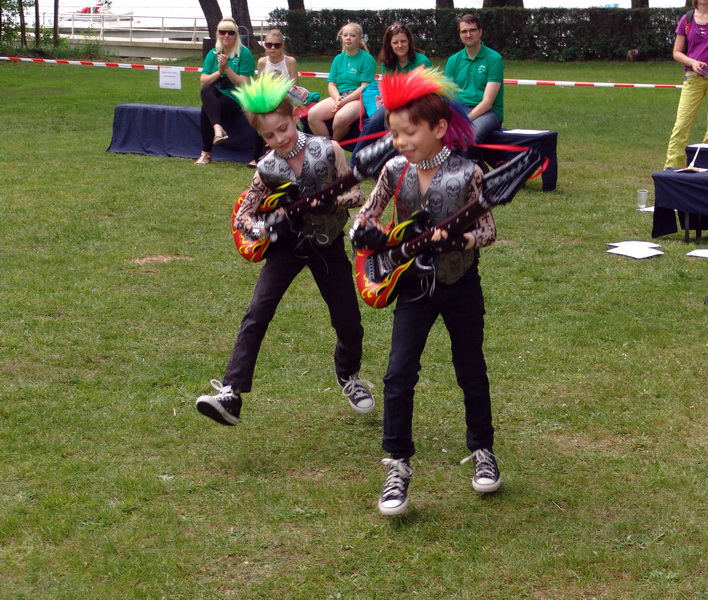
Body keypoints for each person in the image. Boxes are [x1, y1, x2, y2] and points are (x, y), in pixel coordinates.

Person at [351, 69, 501, 516]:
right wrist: (366, 233)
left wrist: (459, 240)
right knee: (398, 374)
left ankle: (483, 450)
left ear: (438, 128)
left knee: (470, 369)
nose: (399, 141)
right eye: (394, 133)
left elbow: (488, 230)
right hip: (413, 287)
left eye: (408, 132)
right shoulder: (394, 170)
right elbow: (366, 214)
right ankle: (397, 464)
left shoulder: (468, 173)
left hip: (460, 284)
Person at [195, 73, 376, 426]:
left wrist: (330, 202)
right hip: (287, 246)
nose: (279, 139)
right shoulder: (267, 168)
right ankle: (231, 392)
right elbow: (243, 216)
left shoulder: (329, 149)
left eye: (283, 128)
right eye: (268, 135)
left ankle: (349, 375)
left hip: (327, 244)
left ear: (295, 116)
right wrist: (263, 227)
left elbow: (356, 194)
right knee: (257, 313)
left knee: (349, 323)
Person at [663, 0, 708, 170]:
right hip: (692, 77)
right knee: (681, 124)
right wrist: (693, 62)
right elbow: (676, 52)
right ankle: (672, 168)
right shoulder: (686, 19)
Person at [349, 23, 432, 166]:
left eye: (403, 41)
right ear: (390, 44)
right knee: (372, 122)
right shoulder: (387, 63)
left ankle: (395, 164)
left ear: (409, 42)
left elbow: (424, 91)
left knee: (393, 126)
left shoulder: (422, 61)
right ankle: (353, 163)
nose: (400, 45)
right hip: (395, 103)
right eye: (395, 42)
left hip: (418, 104)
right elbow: (388, 88)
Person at [195, 17, 256, 166]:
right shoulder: (213, 53)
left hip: (236, 97)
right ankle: (218, 129)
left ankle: (206, 153)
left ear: (236, 35)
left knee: (207, 109)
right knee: (206, 91)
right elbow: (203, 81)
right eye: (222, 32)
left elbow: (243, 84)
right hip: (216, 94)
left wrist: (227, 68)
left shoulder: (244, 54)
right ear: (217, 34)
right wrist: (219, 72)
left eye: (230, 32)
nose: (226, 35)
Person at [307, 23, 376, 141]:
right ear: (341, 38)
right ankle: (327, 147)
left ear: (360, 38)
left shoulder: (367, 59)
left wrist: (344, 101)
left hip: (358, 98)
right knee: (313, 115)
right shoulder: (338, 58)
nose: (348, 38)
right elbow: (332, 84)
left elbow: (364, 86)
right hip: (339, 96)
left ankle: (334, 144)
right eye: (345, 35)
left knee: (340, 118)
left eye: (352, 35)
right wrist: (337, 98)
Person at [444, 14, 504, 144]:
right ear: (460, 35)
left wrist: (464, 120)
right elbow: (449, 97)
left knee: (469, 136)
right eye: (464, 31)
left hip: (489, 112)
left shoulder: (494, 59)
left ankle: (472, 160)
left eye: (472, 30)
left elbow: (488, 102)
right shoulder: (453, 61)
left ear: (480, 32)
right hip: (460, 109)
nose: (468, 34)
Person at [250, 29, 300, 168]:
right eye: (269, 45)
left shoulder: (290, 62)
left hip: (287, 100)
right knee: (258, 116)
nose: (272, 48)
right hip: (268, 100)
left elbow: (295, 87)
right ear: (264, 46)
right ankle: (256, 156)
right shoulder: (262, 62)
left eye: (276, 45)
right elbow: (260, 86)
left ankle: (273, 150)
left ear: (282, 46)